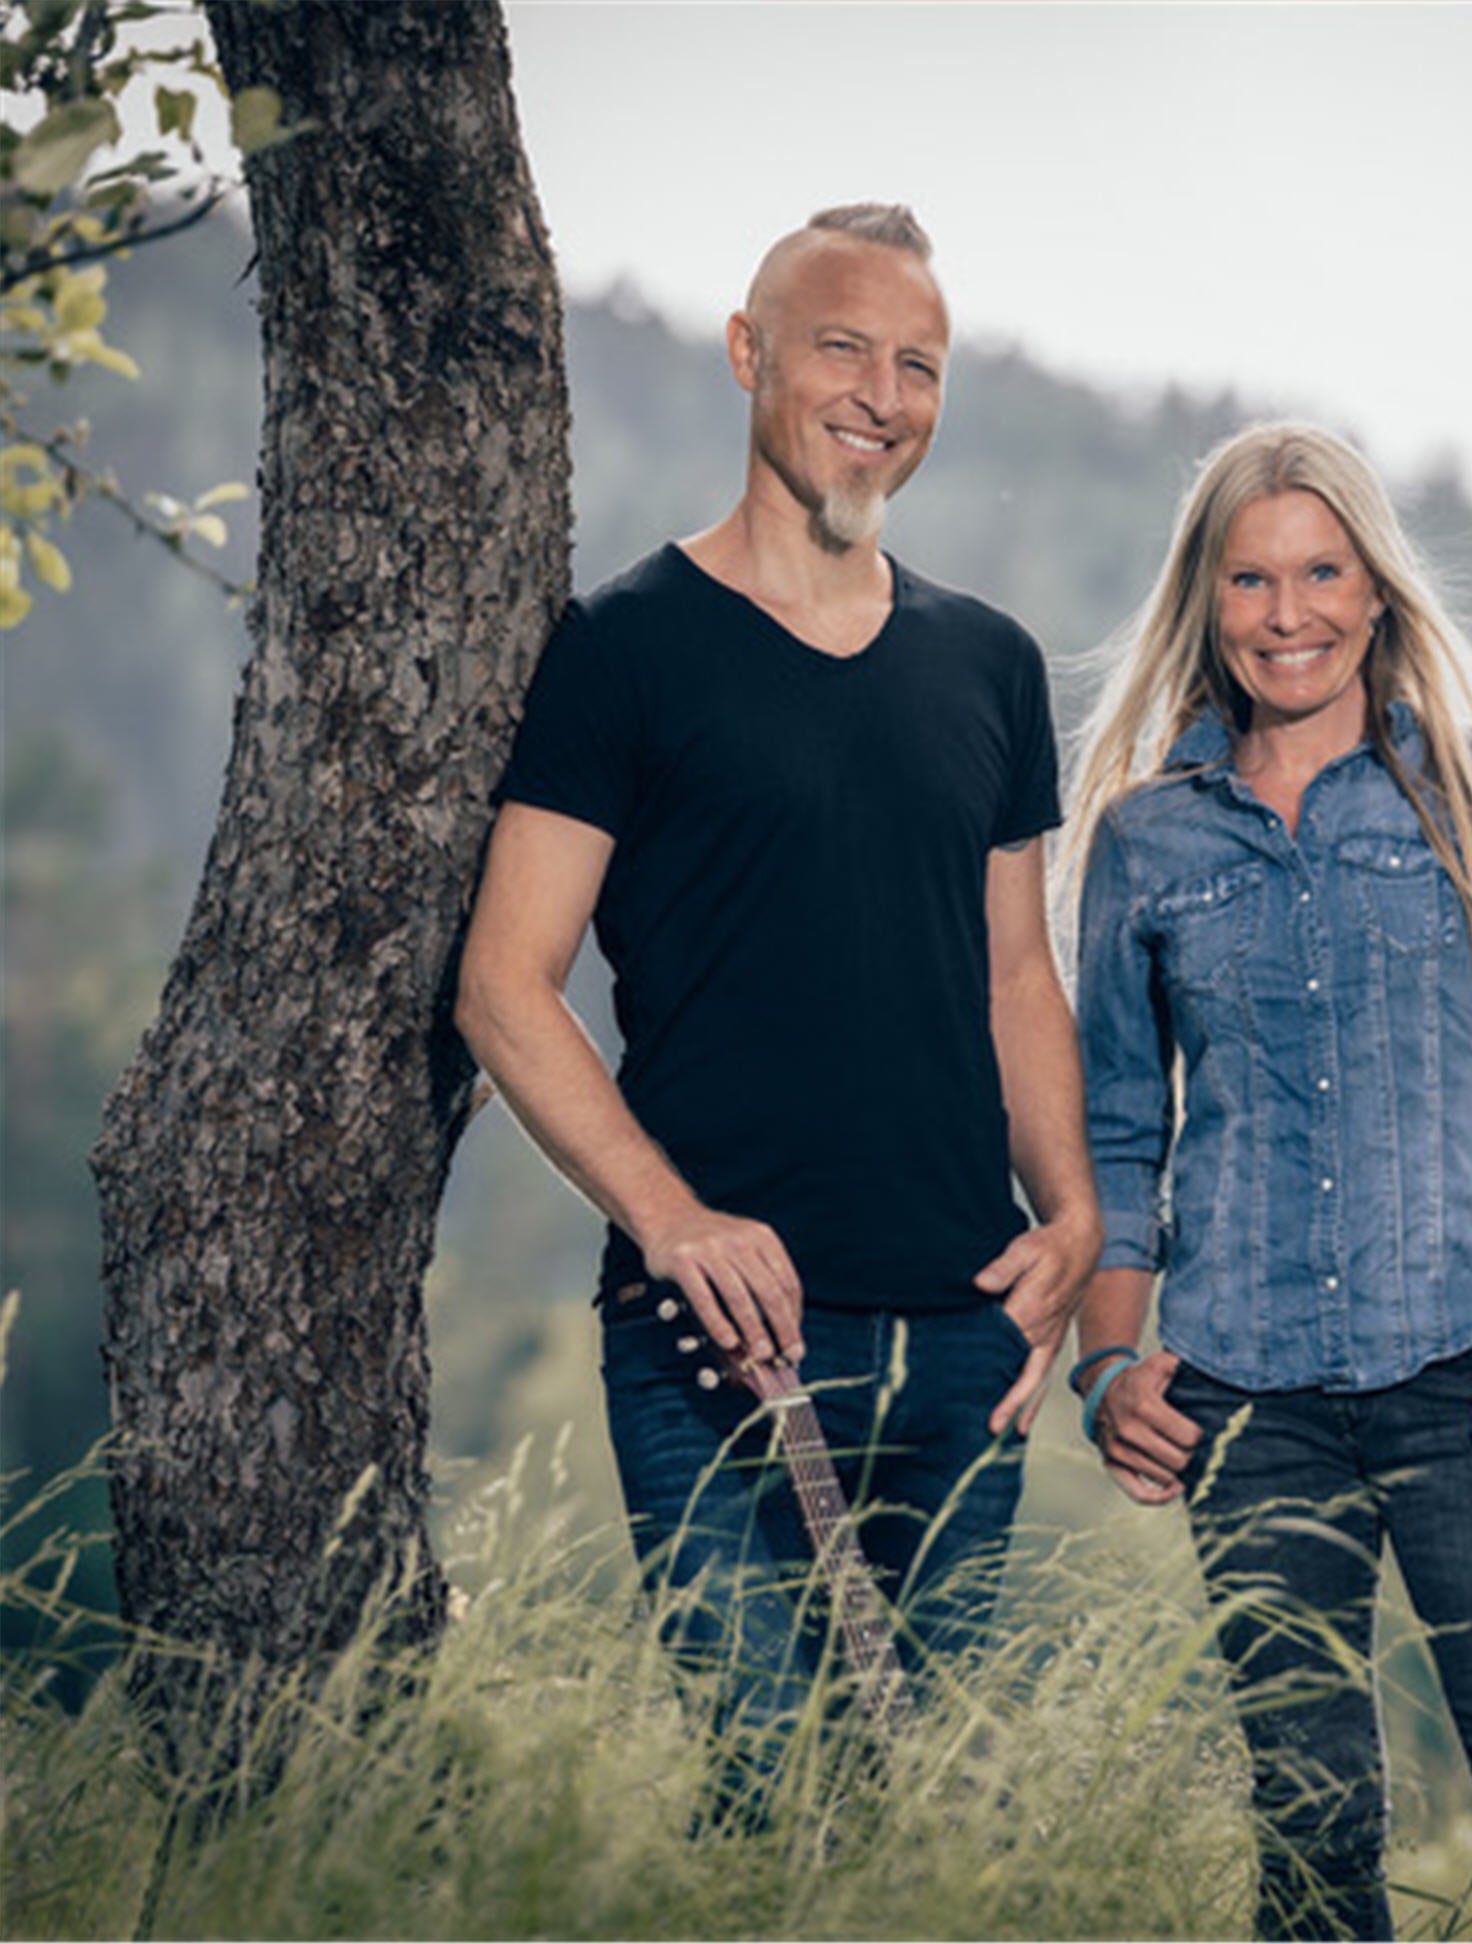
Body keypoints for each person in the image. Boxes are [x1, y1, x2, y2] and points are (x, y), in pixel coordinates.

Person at [457, 204, 1100, 1712]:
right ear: (750, 355)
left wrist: (1072, 1220)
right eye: (843, 350)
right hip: (717, 1346)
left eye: (919, 366)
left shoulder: (989, 664)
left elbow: (1016, 976)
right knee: (768, 1802)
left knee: (936, 1829)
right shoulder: (621, 649)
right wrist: (671, 1222)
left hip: (961, 1344)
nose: (883, 394)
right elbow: (502, 979)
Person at [1066, 423, 1472, 1940]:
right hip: (1250, 1402)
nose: (1288, 613)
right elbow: (1116, 1132)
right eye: (1251, 578)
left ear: (1378, 588)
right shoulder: (1146, 841)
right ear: (1203, 603)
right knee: (1311, 1842)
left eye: (1321, 571)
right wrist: (1107, 1361)